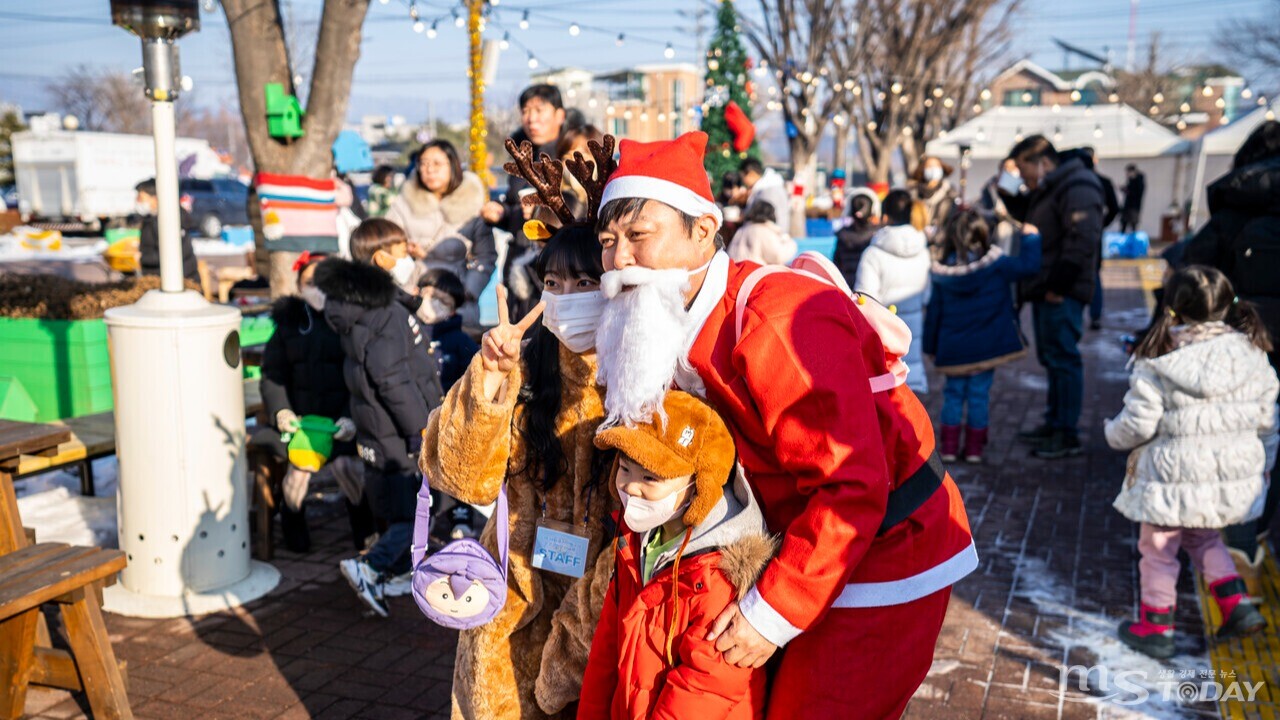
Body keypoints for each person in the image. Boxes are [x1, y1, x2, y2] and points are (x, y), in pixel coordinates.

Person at [593, 131, 976, 719]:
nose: (619, 261)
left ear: (703, 231)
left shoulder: (777, 319)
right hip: (800, 537)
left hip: (882, 545)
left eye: (639, 236)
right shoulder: (663, 314)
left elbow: (850, 485)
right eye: (607, 241)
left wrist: (772, 611)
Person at [419, 209, 619, 716]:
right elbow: (465, 478)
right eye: (554, 282)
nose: (568, 295)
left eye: (585, 280)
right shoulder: (524, 366)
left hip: (600, 597)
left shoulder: (639, 377)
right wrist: (490, 376)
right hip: (513, 584)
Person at [1106, 266, 1277, 658]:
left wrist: (1110, 434)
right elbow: (1269, 421)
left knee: (1159, 548)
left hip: (1171, 478)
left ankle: (1156, 626)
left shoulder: (1160, 359)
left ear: (1174, 310)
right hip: (1224, 476)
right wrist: (1263, 465)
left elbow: (1138, 424)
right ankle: (1237, 606)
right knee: (1204, 537)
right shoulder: (1254, 354)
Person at [578, 390, 773, 720]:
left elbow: (704, 688)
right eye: (625, 469)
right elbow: (606, 651)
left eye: (650, 478)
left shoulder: (719, 577)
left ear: (700, 486)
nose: (631, 488)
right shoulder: (636, 541)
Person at [313, 218, 444, 618]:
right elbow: (392, 378)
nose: (409, 255)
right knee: (421, 506)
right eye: (402, 249)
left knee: (400, 504)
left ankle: (397, 571)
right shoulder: (383, 311)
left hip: (377, 426)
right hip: (397, 429)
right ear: (381, 257)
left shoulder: (361, 306)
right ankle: (369, 566)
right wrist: (419, 429)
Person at [1182, 120, 1280, 588]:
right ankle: (1247, 536)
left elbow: (1192, 270)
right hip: (1261, 357)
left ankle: (1208, 543)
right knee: (1268, 439)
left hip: (1239, 341)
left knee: (1224, 439)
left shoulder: (1237, 204)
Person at [254, 251, 370, 553]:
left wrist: (351, 417)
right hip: (300, 424)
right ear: (299, 285)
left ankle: (364, 527)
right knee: (298, 471)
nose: (316, 288)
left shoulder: (350, 321)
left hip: (341, 422)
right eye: (308, 282)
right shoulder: (289, 323)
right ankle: (292, 520)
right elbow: (272, 374)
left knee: (348, 466)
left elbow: (363, 375)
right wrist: (281, 411)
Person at [1010, 135, 1104, 460]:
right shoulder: (1055, 186)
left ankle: (1066, 432)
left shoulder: (1077, 185)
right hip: (1048, 288)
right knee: (1052, 359)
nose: (1024, 179)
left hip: (1060, 291)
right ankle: (1054, 423)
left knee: (1063, 359)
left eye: (1024, 172)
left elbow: (1083, 238)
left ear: (1042, 162)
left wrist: (1058, 286)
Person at [924, 210, 1042, 464]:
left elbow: (934, 312)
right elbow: (1029, 266)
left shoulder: (943, 274)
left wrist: (930, 346)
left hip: (953, 349)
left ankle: (949, 448)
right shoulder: (996, 265)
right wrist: (1031, 238)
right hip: (987, 347)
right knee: (979, 395)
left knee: (953, 396)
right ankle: (975, 449)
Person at [386, 140, 497, 327]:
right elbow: (385, 241)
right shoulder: (404, 203)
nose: (429, 170)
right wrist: (404, 252)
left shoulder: (472, 203)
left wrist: (468, 290)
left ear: (453, 165)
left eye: (437, 163)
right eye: (424, 163)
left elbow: (486, 256)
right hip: (415, 293)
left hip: (458, 298)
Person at [483, 84, 569, 316]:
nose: (531, 118)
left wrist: (543, 213)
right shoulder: (521, 155)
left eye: (539, 110)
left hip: (559, 263)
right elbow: (515, 208)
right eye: (525, 111)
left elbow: (580, 210)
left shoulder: (570, 154)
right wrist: (502, 214)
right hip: (520, 262)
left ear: (560, 115)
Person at [855, 189, 931, 395]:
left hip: (885, 339)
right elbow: (927, 294)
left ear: (885, 216)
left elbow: (864, 301)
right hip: (914, 332)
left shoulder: (873, 253)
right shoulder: (923, 250)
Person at [415, 268, 479, 392]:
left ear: (453, 310)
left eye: (443, 301)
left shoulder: (461, 342)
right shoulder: (406, 332)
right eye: (431, 296)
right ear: (418, 293)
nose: (434, 304)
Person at [1081, 147, 1120, 331]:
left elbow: (1113, 208)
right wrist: (1101, 224)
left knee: (1084, 274)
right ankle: (1094, 315)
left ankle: (1084, 314)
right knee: (1094, 274)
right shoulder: (1103, 181)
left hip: (1080, 234)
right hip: (1094, 234)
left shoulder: (1075, 183)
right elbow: (1114, 208)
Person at [134, 178, 199, 283]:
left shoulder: (172, 219)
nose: (138, 201)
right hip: (157, 278)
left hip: (179, 281)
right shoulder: (150, 218)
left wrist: (142, 258)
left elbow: (172, 252)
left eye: (141, 198)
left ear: (155, 198)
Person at [832, 188, 880, 288]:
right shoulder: (879, 236)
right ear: (872, 209)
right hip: (871, 294)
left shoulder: (842, 235)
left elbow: (835, 267)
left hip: (846, 291)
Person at [557, 124, 605, 221]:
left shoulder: (607, 204)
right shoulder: (552, 202)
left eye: (581, 157)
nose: (573, 163)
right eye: (567, 157)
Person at [726, 201, 796, 266]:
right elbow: (777, 255)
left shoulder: (743, 229)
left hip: (736, 273)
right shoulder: (764, 231)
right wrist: (790, 244)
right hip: (755, 275)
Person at [909, 155, 959, 236]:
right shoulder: (913, 193)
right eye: (929, 166)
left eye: (936, 166)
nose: (933, 169)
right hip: (917, 236)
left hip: (942, 238)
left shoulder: (950, 193)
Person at [738, 157, 789, 236]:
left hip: (769, 238)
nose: (744, 181)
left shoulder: (767, 191)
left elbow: (762, 218)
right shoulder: (769, 186)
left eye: (743, 177)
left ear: (751, 174)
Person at [1121, 163, 1146, 233]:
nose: (1127, 174)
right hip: (1127, 206)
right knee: (1123, 224)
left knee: (1133, 225)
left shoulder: (1139, 181)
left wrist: (1127, 190)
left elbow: (1136, 193)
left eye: (1128, 172)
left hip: (1134, 207)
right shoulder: (1130, 181)